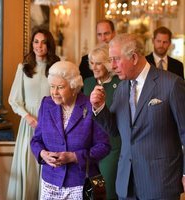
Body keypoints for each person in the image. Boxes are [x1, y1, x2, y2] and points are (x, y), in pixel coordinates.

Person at [90, 33, 185, 199]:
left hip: (161, 184)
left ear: (134, 57)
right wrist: (99, 108)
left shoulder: (172, 84)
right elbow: (114, 130)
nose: (112, 66)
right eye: (110, 60)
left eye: (116, 59)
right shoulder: (120, 88)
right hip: (126, 185)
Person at [30, 61, 111, 200]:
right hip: (50, 182)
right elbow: (36, 140)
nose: (54, 92)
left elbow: (104, 146)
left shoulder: (90, 106)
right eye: (52, 87)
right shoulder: (46, 104)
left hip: (80, 183)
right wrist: (43, 154)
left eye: (60, 87)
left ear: (73, 87)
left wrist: (74, 157)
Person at [7, 27, 60, 200]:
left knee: (47, 169)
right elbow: (14, 99)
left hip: (51, 126)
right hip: (28, 125)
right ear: (32, 44)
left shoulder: (56, 68)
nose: (39, 46)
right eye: (36, 41)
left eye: (44, 42)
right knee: (28, 169)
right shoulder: (23, 68)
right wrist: (28, 117)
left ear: (49, 45)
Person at [83, 43, 121, 200]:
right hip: (90, 147)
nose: (94, 67)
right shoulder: (88, 83)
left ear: (107, 63)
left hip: (112, 145)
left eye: (98, 63)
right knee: (92, 191)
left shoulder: (120, 83)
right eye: (92, 63)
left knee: (108, 192)